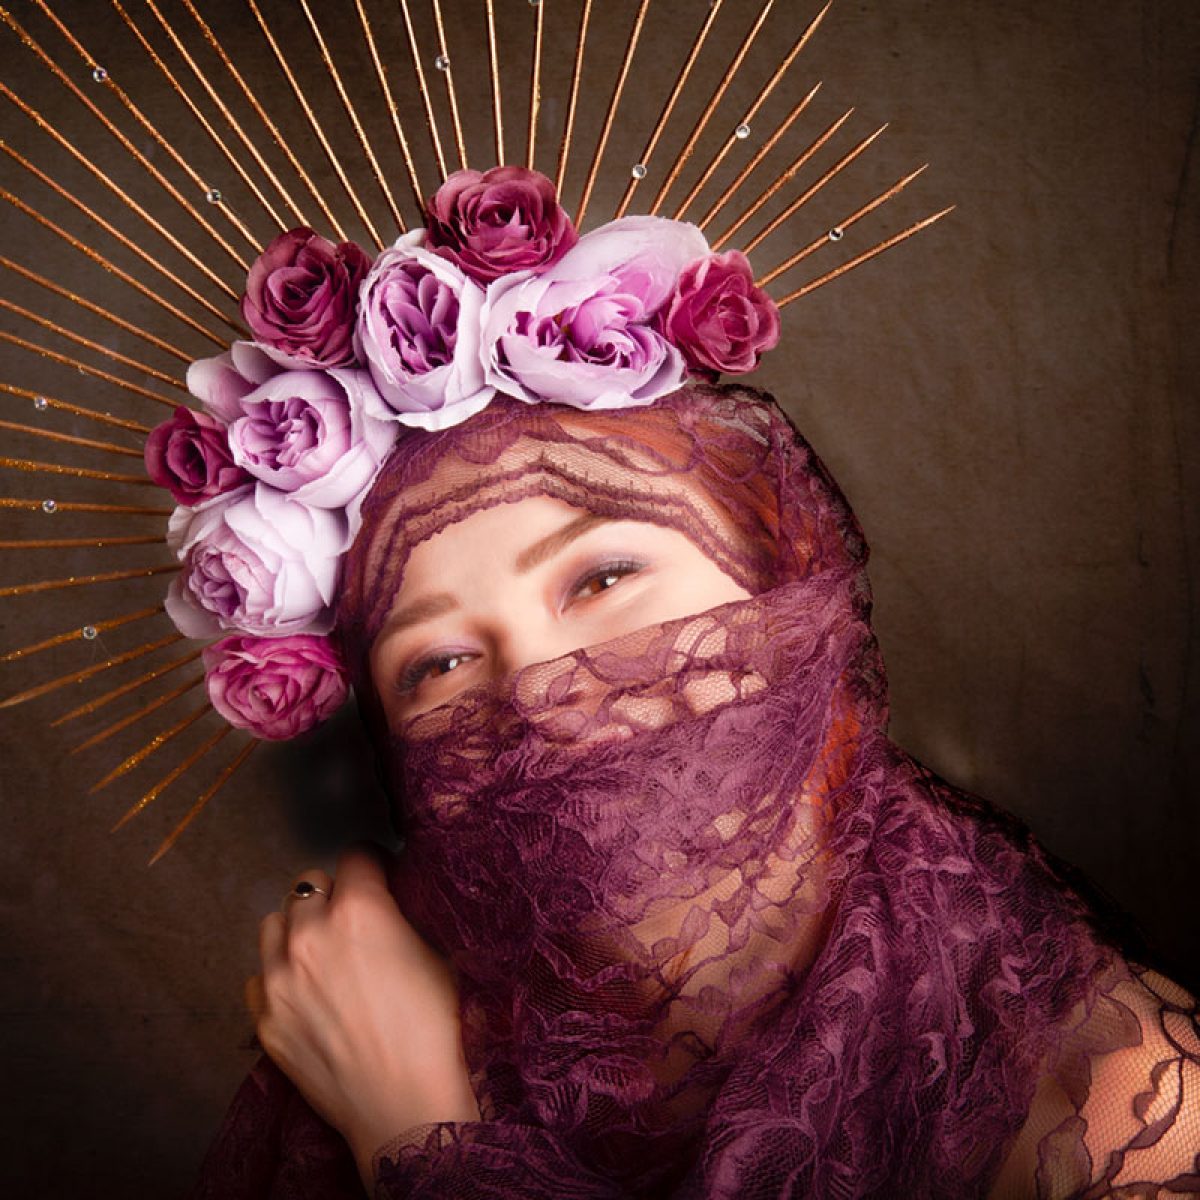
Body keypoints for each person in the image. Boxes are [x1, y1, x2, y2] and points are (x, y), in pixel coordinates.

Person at [193, 383, 1200, 1199]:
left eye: (602, 578)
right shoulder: (387, 998)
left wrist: (416, 1132)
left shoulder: (1119, 1114)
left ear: (786, 581)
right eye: (439, 664)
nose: (540, 695)